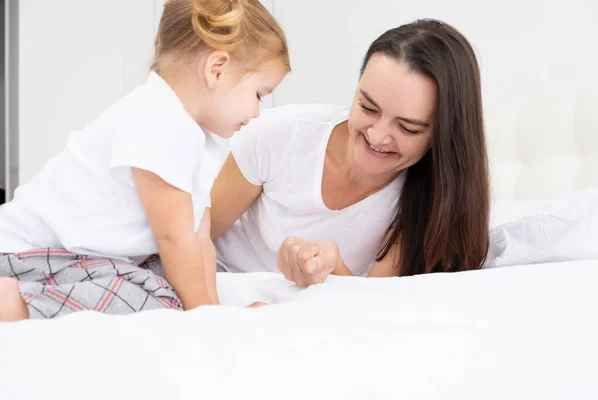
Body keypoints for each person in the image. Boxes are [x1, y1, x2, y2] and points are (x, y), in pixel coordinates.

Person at [0, 0, 289, 321]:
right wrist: (207, 321)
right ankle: (13, 304)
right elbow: (176, 239)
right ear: (216, 69)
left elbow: (198, 242)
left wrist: (213, 313)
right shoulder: (158, 120)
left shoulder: (199, 141)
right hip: (23, 257)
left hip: (74, 255)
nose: (256, 112)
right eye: (259, 94)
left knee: (168, 275)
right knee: (156, 299)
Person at [210, 19, 490, 287]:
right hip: (217, 283)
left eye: (408, 128)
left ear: (441, 137)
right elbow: (189, 239)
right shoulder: (277, 136)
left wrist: (330, 265)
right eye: (368, 108)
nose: (377, 137)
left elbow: (366, 307)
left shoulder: (428, 203)